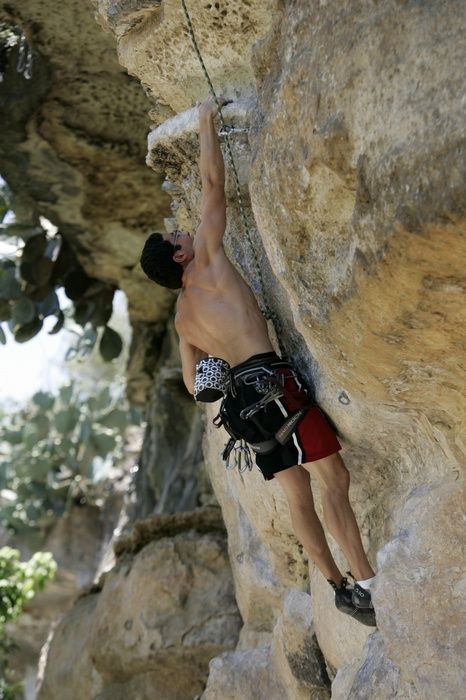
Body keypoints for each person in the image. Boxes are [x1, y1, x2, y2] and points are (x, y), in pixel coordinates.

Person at [140, 97, 376, 626]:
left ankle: (336, 585)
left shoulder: (182, 320)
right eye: (177, 237)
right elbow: (211, 186)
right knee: (332, 481)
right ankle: (368, 585)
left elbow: (194, 384)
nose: (185, 232)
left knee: (298, 498)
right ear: (180, 256)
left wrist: (218, 369)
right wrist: (205, 122)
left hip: (243, 410)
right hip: (276, 384)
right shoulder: (209, 260)